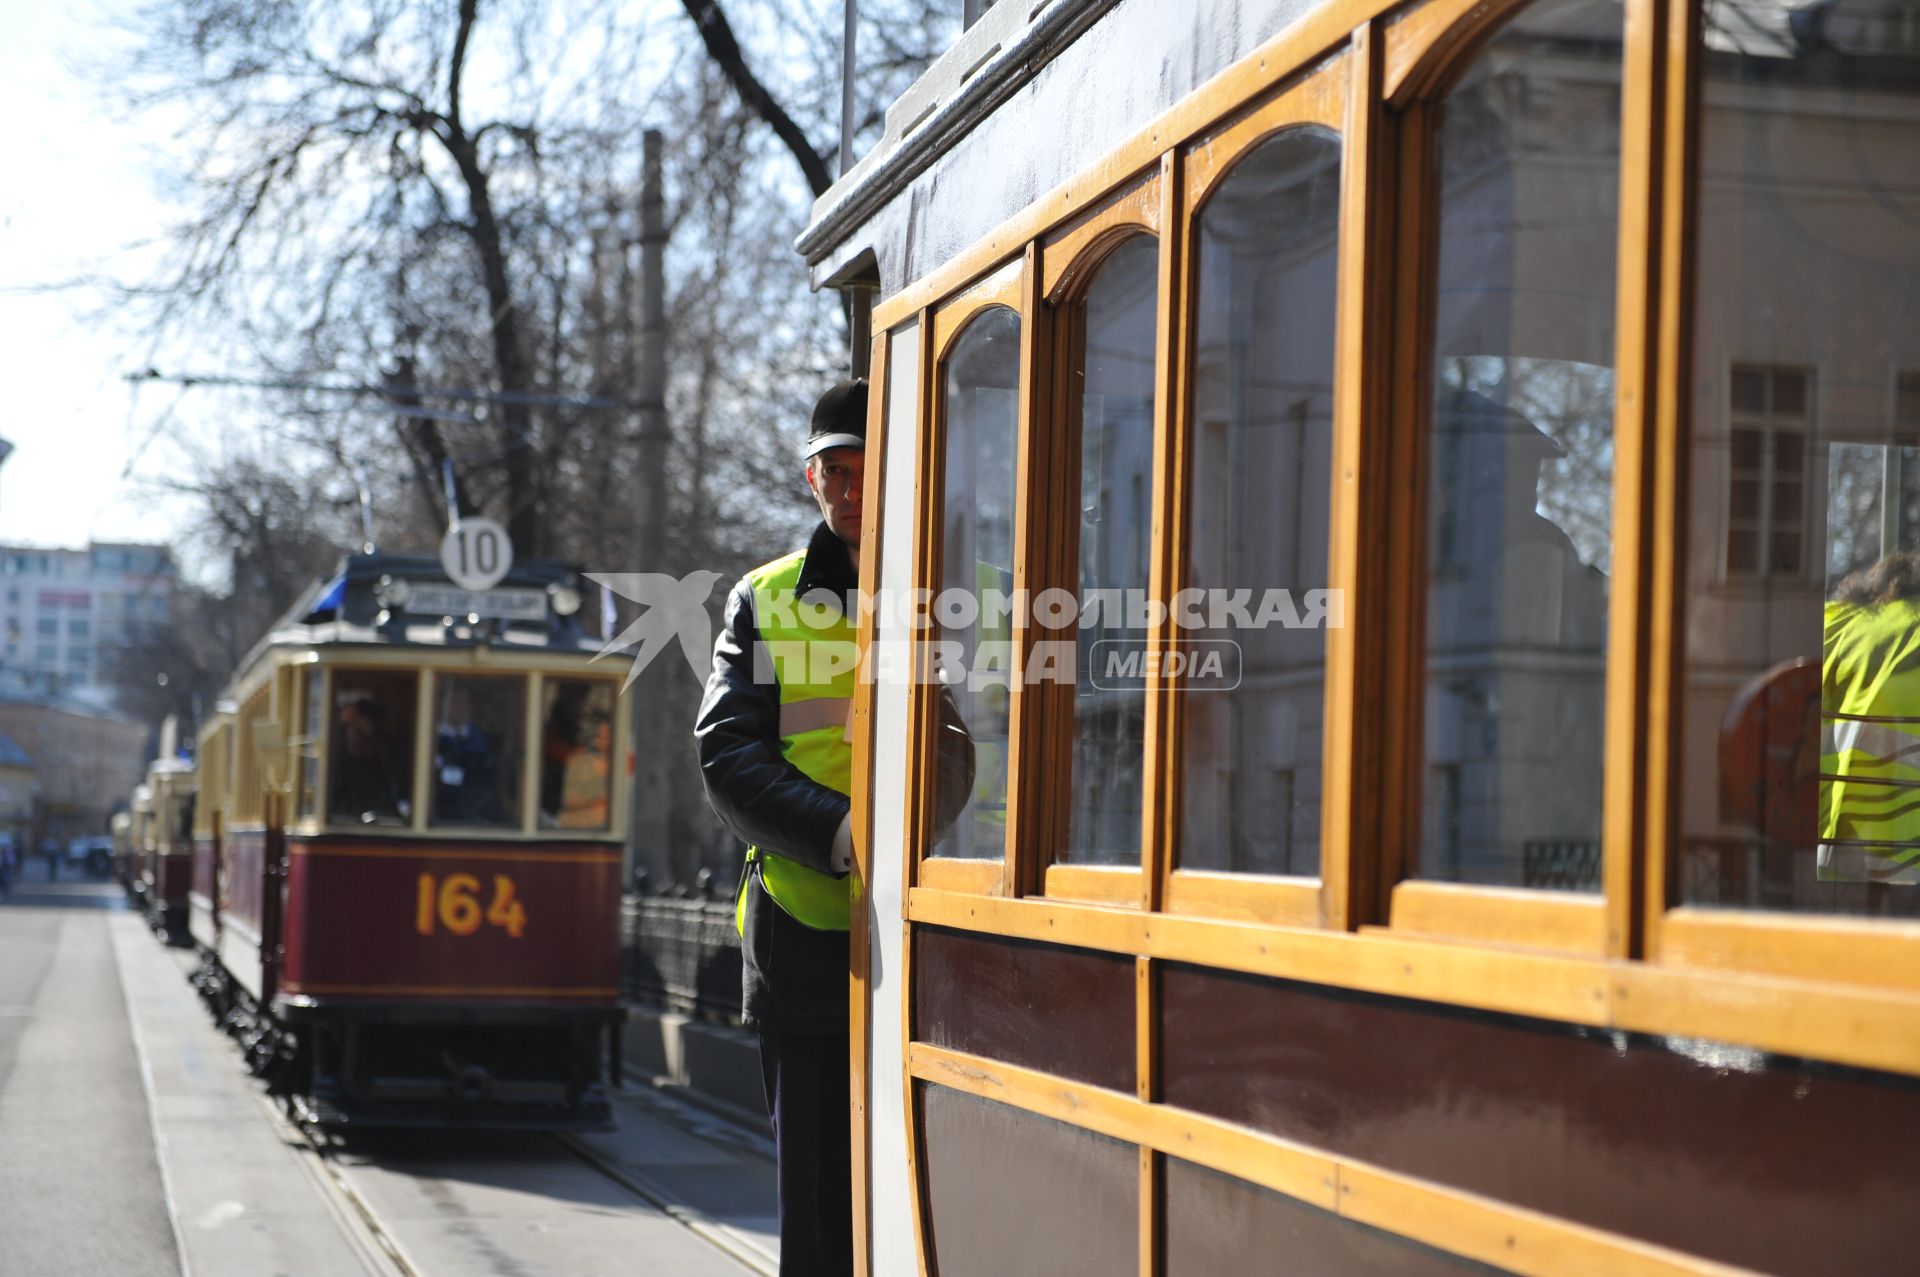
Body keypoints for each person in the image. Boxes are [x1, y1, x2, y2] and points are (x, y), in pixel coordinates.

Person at [696, 378, 972, 1276]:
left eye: (866, 469)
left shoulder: (943, 592)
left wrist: (922, 824)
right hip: (803, 938)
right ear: (810, 479)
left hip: (924, 935)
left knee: (918, 1187)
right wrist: (842, 831)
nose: (850, 490)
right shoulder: (764, 598)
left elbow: (972, 741)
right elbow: (727, 755)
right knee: (818, 1203)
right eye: (834, 471)